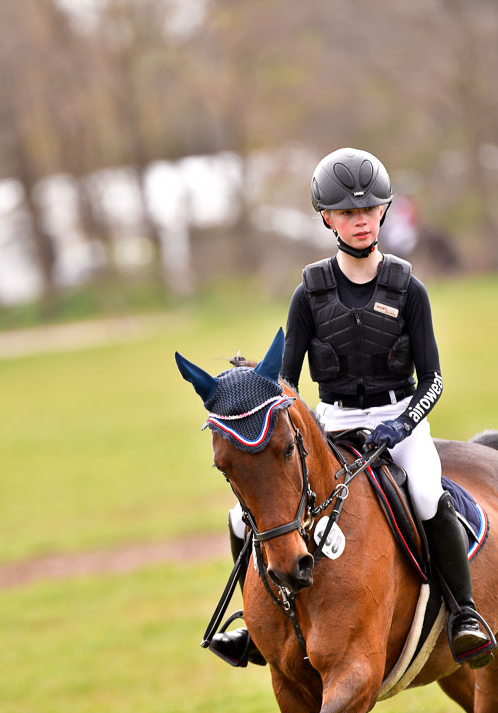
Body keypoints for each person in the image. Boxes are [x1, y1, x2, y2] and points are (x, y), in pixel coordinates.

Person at [209, 147, 495, 670]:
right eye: (347, 212)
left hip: (401, 420)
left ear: (383, 212)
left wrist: (403, 424)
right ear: (328, 218)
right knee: (237, 515)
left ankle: (464, 615)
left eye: (368, 210)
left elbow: (432, 380)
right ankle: (255, 624)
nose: (360, 221)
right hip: (333, 422)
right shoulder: (308, 293)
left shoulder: (410, 289)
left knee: (430, 495)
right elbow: (287, 383)